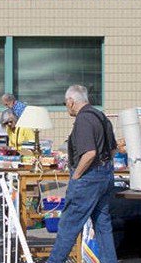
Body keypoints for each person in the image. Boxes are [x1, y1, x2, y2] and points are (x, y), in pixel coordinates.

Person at [48, 85, 117, 263]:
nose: (66, 106)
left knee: (68, 225)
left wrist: (77, 175)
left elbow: (90, 153)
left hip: (88, 177)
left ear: (71, 101)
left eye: (65, 103)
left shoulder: (83, 120)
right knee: (102, 224)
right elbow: (113, 148)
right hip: (106, 175)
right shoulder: (101, 116)